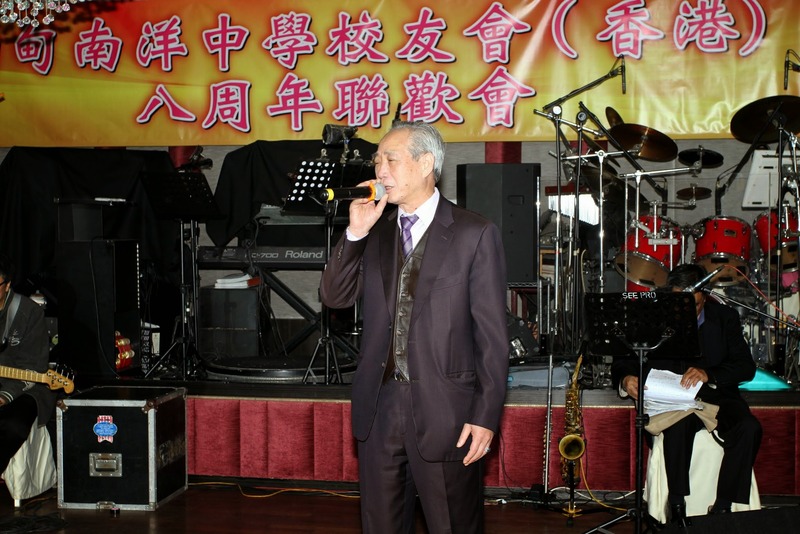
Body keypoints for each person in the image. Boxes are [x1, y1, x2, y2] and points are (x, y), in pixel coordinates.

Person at [319, 121, 509, 533]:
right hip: (380, 408)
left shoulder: (474, 233)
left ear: (426, 164)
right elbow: (335, 297)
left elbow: (493, 337)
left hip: (448, 411)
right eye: (377, 161)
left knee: (452, 525)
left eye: (391, 160)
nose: (380, 171)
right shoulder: (375, 232)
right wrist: (355, 232)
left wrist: (485, 415)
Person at [612, 263, 762, 526]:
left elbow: (745, 367)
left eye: (695, 304)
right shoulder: (653, 316)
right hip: (670, 399)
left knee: (749, 428)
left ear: (705, 295)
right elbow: (623, 359)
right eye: (680, 304)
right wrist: (626, 379)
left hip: (716, 396)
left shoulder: (724, 317)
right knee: (679, 424)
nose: (688, 312)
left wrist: (709, 374)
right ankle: (677, 505)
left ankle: (723, 507)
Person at [0, 253, 57, 474]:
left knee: (13, 425)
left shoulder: (28, 312)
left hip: (24, 386)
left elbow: (34, 366)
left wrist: (4, 396)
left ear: (7, 285)